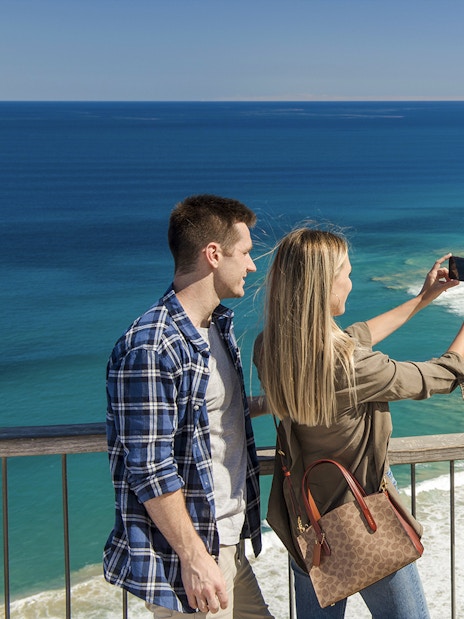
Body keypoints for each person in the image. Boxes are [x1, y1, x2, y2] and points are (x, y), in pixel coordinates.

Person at [253, 227, 464, 619]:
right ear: (321, 287)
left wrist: (423, 299)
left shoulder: (271, 348)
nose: (351, 283)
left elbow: (352, 339)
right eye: (346, 274)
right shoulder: (352, 368)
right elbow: (442, 375)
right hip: (364, 520)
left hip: (308, 521)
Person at [104, 194, 274, 618]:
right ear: (213, 255)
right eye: (246, 253)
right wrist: (194, 557)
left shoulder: (216, 327)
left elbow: (214, 417)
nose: (252, 266)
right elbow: (149, 466)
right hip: (193, 558)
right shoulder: (151, 344)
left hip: (227, 543)